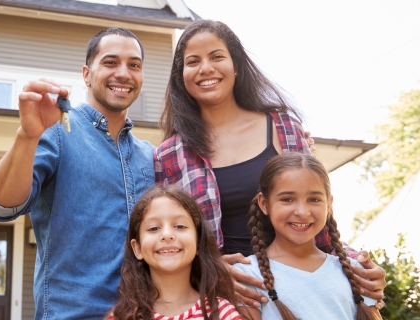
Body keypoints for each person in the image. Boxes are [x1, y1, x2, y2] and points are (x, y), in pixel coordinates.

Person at [153, 19, 386, 308]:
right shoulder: (169, 155)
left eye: (217, 57)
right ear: (181, 75)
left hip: (295, 286)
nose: (206, 68)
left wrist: (357, 265)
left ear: (235, 64)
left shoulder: (284, 126)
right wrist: (209, 270)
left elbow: (315, 211)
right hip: (223, 297)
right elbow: (169, 237)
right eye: (193, 61)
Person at [0, 28, 155, 319]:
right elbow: (1, 205)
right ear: (87, 75)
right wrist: (27, 136)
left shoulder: (150, 156)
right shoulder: (57, 133)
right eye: (111, 62)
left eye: (134, 65)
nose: (124, 73)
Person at [233, 152, 381, 320]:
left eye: (314, 199)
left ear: (329, 204)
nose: (302, 212)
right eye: (288, 199)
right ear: (264, 204)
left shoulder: (354, 272)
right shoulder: (247, 275)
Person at [109, 185, 242, 320]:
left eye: (180, 226)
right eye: (154, 228)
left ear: (198, 242)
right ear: (137, 248)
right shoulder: (121, 316)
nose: (167, 235)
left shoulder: (223, 313)